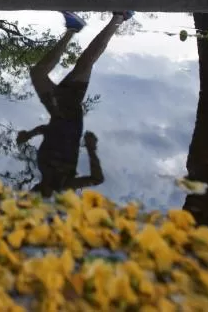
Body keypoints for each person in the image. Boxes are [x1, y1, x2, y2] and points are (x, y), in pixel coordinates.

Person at [16, 10, 134, 196]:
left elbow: (49, 132)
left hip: (57, 112)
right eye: (34, 192)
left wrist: (30, 134)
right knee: (84, 63)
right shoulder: (64, 184)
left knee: (48, 71)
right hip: (69, 114)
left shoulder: (44, 169)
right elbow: (96, 179)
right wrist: (91, 148)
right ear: (44, 195)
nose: (32, 189)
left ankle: (76, 27)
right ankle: (116, 18)